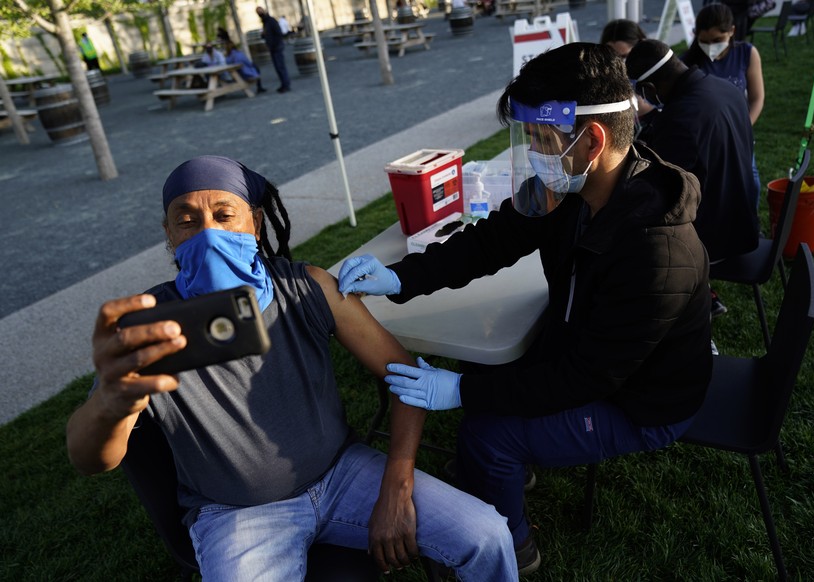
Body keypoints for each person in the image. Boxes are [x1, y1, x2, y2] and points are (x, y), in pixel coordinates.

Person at [338, 43, 713, 575]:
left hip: (644, 402)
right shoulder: (571, 189)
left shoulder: (658, 253)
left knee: (486, 434)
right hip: (586, 349)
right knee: (487, 375)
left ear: (594, 139)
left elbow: (587, 377)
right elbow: (494, 239)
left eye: (542, 138)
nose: (534, 152)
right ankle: (513, 469)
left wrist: (461, 392)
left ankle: (515, 544)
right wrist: (401, 277)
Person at [65, 156, 517, 581]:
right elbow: (90, 460)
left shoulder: (305, 287)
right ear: (169, 234)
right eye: (187, 221)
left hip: (342, 475)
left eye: (225, 215)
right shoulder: (153, 328)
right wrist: (112, 402)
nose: (207, 233)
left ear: (255, 223)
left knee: (487, 535)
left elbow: (404, 376)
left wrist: (397, 487)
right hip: (237, 514)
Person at [627, 40, 759, 319]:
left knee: (631, 227)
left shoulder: (680, 118)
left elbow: (655, 189)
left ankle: (683, 306)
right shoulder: (727, 88)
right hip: (743, 217)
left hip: (717, 237)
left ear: (649, 89)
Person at [682, 3, 765, 198]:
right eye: (704, 41)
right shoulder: (688, 61)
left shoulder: (747, 53)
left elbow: (757, 97)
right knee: (712, 191)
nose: (711, 47)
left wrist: (743, 127)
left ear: (732, 31)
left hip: (739, 136)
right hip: (704, 140)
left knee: (750, 185)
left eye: (718, 40)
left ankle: (751, 226)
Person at [256, 6, 291, 93]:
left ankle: (286, 85)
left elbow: (278, 33)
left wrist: (274, 44)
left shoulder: (270, 21)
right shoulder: (266, 22)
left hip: (276, 47)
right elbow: (268, 35)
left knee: (280, 66)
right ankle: (283, 84)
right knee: (277, 67)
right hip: (273, 47)